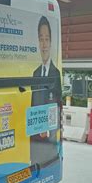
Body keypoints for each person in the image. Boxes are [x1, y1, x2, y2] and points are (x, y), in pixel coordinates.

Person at [30, 16, 62, 166]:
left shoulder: (56, 74)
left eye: (47, 39)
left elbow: (57, 106)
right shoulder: (35, 73)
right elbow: (32, 106)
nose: (44, 44)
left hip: (48, 139)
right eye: (41, 39)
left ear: (51, 43)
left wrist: (48, 129)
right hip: (34, 141)